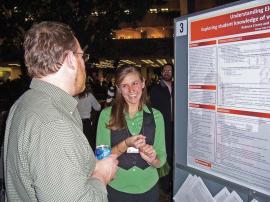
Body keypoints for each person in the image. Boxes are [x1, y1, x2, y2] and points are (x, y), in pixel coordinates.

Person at [4, 21, 118, 201]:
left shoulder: (24, 102)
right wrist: (102, 175)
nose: (84, 63)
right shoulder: (53, 125)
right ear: (71, 59)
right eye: (82, 56)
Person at [96, 65, 166, 202]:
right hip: (116, 188)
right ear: (118, 89)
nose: (131, 90)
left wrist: (153, 159)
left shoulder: (157, 116)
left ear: (143, 83)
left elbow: (161, 159)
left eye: (135, 83)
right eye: (124, 85)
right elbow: (101, 159)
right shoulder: (106, 115)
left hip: (149, 188)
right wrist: (125, 144)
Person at [149, 63, 174, 194]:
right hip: (163, 127)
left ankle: (174, 179)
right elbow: (152, 110)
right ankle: (165, 184)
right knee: (165, 154)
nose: (167, 72)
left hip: (177, 126)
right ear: (161, 72)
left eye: (169, 70)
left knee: (175, 154)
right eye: (165, 70)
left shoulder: (177, 87)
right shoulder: (156, 89)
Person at [75, 83, 101, 149]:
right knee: (90, 143)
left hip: (77, 123)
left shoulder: (75, 96)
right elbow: (98, 107)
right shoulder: (89, 96)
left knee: (80, 144)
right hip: (87, 122)